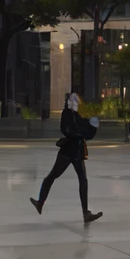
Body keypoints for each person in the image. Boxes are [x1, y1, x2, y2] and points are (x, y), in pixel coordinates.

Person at [30, 93, 102, 223]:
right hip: (68, 152)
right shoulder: (67, 114)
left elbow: (85, 131)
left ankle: (86, 213)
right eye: (74, 101)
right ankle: (40, 202)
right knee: (53, 175)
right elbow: (66, 129)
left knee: (82, 180)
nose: (76, 103)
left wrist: (92, 126)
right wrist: (79, 133)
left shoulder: (76, 116)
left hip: (76, 152)